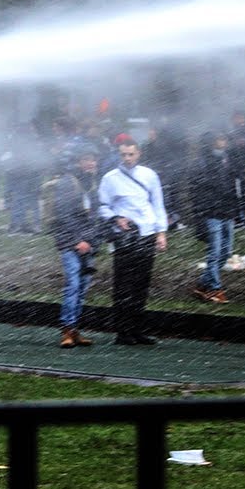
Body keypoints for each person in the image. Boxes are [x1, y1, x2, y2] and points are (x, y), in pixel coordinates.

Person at [98, 138, 168, 345]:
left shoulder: (149, 175)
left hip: (146, 233)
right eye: (123, 155)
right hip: (125, 236)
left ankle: (137, 329)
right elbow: (102, 206)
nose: (127, 158)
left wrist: (161, 232)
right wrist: (116, 218)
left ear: (138, 154)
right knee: (123, 285)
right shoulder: (110, 178)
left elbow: (158, 204)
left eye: (131, 154)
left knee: (141, 283)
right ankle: (123, 331)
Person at [42, 147, 103, 347]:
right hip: (69, 243)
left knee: (82, 287)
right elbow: (63, 215)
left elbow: (95, 216)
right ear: (78, 162)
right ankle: (67, 329)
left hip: (88, 243)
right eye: (87, 159)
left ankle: (74, 328)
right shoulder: (68, 183)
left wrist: (90, 240)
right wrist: (78, 240)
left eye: (93, 159)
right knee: (73, 285)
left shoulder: (92, 183)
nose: (91, 163)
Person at [188, 132, 236, 303]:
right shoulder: (201, 163)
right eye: (220, 139)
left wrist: (234, 207)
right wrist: (201, 214)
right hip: (211, 213)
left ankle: (202, 284)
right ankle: (214, 288)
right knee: (214, 253)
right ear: (211, 142)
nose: (224, 142)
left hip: (226, 212)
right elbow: (196, 191)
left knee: (226, 252)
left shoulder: (227, 160)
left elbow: (231, 185)